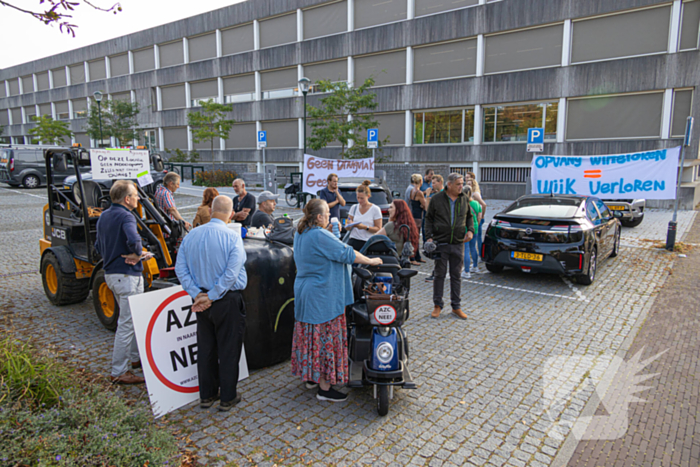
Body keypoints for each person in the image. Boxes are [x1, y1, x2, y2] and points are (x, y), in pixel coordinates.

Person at [291, 199, 382, 402]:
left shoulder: (302, 231)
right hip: (323, 295)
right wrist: (371, 261)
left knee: (310, 337)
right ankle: (325, 388)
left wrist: (334, 231)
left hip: (307, 292)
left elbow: (329, 248)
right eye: (326, 213)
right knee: (325, 339)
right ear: (319, 217)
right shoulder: (318, 234)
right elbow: (345, 253)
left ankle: (312, 378)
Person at [175, 195, 247, 411]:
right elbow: (231, 274)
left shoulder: (191, 235)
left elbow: (181, 269)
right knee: (228, 348)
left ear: (211, 210)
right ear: (231, 213)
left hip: (201, 300)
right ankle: (227, 397)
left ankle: (206, 395)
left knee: (205, 347)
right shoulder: (232, 237)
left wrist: (198, 293)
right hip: (225, 299)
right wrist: (212, 295)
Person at [95, 180, 151, 385]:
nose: (138, 198)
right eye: (135, 195)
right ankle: (119, 371)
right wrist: (139, 254)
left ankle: (136, 359)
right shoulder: (126, 216)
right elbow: (134, 240)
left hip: (112, 273)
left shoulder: (104, 216)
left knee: (133, 319)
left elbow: (97, 245)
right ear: (127, 199)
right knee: (127, 324)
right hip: (127, 275)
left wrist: (118, 255)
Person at [425, 173, 474, 320]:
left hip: (458, 243)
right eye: (458, 184)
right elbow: (428, 219)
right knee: (439, 275)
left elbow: (469, 217)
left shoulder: (464, 198)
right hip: (441, 242)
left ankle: (456, 306)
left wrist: (470, 230)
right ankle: (437, 305)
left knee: (456, 276)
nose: (461, 186)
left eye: (462, 183)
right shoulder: (437, 199)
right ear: (449, 184)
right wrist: (429, 237)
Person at [346, 180, 382, 251]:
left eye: (362, 198)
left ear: (368, 196)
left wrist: (364, 227)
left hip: (367, 242)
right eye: (358, 197)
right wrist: (349, 224)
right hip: (353, 240)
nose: (359, 200)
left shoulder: (375, 209)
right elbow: (348, 223)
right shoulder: (354, 207)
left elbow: (378, 229)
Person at [424, 174, 444, 283]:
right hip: (437, 228)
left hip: (439, 229)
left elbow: (428, 210)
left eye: (434, 182)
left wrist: (427, 196)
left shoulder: (440, 196)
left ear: (440, 182)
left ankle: (436, 274)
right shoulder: (438, 195)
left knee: (439, 253)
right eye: (432, 183)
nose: (432, 185)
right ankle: (436, 273)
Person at [461, 186, 482, 279]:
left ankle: (466, 271)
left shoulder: (463, 204)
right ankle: (475, 266)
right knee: (473, 247)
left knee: (466, 249)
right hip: (475, 227)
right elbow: (479, 216)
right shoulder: (476, 203)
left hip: (466, 229)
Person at [466, 177, 487, 263]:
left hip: (473, 223)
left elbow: (483, 205)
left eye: (469, 183)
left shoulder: (475, 195)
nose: (467, 184)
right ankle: (475, 264)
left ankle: (479, 256)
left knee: (470, 246)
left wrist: (482, 217)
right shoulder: (473, 199)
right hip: (475, 222)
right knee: (472, 246)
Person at [409, 174, 427, 265]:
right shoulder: (419, 192)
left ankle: (417, 256)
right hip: (418, 217)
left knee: (415, 237)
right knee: (415, 238)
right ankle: (413, 258)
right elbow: (425, 205)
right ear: (420, 181)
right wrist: (427, 196)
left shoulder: (412, 190)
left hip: (414, 215)